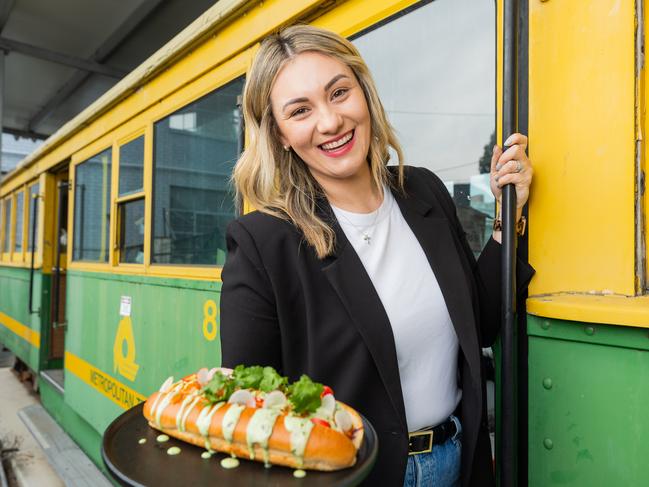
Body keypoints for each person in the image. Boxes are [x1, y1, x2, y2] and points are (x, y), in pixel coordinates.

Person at [220, 24, 534, 487]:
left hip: (459, 462)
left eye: (339, 92)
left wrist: (510, 217)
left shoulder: (422, 190)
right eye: (300, 110)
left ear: (363, 93)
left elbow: (481, 323)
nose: (329, 122)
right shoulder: (263, 242)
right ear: (281, 134)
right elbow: (251, 409)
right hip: (353, 476)